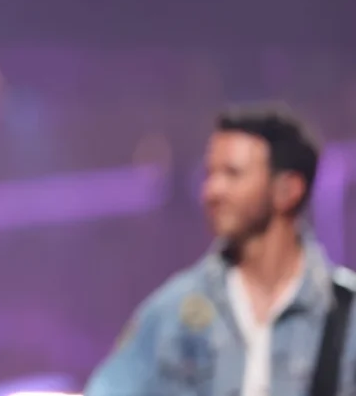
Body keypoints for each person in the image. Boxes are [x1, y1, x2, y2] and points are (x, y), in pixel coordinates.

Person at [84, 104, 356, 396]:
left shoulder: (346, 314)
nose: (212, 191)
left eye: (232, 174)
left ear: (288, 190)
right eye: (210, 174)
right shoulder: (173, 312)